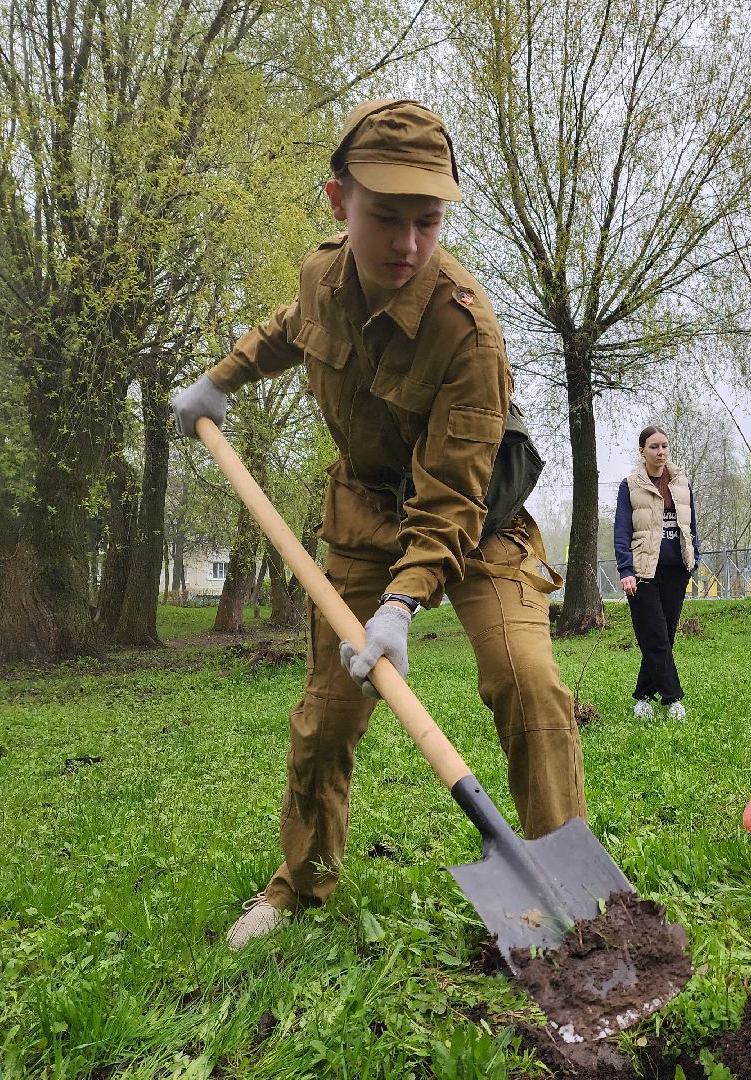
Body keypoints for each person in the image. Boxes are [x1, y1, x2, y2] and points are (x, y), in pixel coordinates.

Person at [172, 99, 586, 949]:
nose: (407, 244)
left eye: (427, 221)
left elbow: (452, 498)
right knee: (327, 715)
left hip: (477, 522)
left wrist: (401, 606)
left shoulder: (467, 331)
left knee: (529, 681)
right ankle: (300, 886)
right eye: (386, 217)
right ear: (339, 201)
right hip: (364, 515)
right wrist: (221, 380)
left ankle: (568, 888)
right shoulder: (321, 277)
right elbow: (288, 331)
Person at [614, 426, 699, 721]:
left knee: (664, 636)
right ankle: (673, 700)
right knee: (655, 637)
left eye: (664, 446)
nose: (660, 452)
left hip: (676, 571)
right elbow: (622, 531)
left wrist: (693, 559)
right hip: (642, 572)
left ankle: (643, 697)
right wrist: (626, 569)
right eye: (653, 447)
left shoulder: (681, 482)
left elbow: (691, 526)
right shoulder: (630, 485)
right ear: (642, 451)